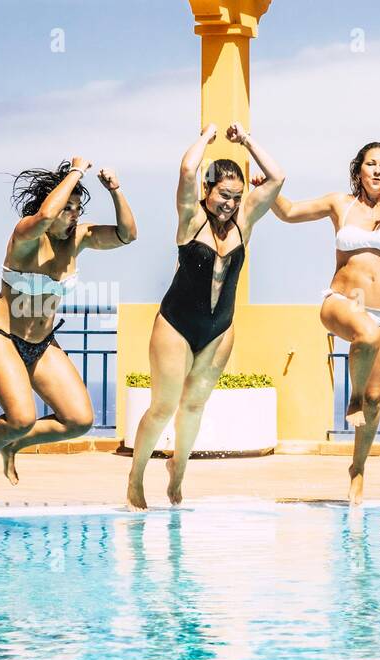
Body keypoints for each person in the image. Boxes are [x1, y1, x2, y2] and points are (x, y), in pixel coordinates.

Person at [257, 141, 380, 504]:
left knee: (374, 398)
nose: (377, 171)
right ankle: (351, 396)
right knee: (364, 337)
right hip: (342, 302)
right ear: (359, 170)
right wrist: (268, 190)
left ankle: (358, 468)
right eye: (371, 164)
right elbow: (289, 211)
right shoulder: (340, 203)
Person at [126, 122, 284, 510]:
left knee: (195, 405)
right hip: (176, 325)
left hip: (219, 329)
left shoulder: (244, 222)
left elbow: (278, 177)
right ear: (207, 191)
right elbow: (186, 170)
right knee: (163, 406)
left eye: (235, 196)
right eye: (222, 195)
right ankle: (135, 478)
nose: (229, 203)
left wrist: (246, 140)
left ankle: (177, 473)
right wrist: (207, 136)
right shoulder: (190, 219)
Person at [0, 157, 137, 494]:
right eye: (69, 207)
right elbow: (46, 216)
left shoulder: (78, 239)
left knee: (78, 421)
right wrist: (76, 170)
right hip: (2, 338)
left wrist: (115, 191)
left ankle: (13, 444)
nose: (74, 213)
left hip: (43, 343)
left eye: (78, 207)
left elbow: (127, 235)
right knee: (20, 418)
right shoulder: (26, 236)